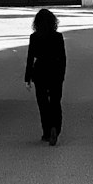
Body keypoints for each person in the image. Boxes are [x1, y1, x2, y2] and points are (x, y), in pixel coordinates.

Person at [24, 8, 66, 146]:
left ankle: (46, 132)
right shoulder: (58, 37)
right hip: (55, 72)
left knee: (43, 104)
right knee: (55, 102)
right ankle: (56, 128)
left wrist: (27, 78)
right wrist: (61, 75)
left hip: (40, 72)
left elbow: (30, 58)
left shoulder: (34, 37)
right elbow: (63, 58)